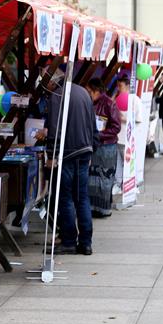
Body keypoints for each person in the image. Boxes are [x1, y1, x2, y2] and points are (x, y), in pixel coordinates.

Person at [39, 75, 98, 255]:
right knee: (82, 198)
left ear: (54, 81)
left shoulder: (57, 95)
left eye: (46, 81)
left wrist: (51, 155)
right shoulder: (84, 93)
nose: (45, 85)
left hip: (67, 154)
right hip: (83, 151)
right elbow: (93, 126)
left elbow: (54, 130)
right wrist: (92, 148)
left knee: (65, 199)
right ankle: (86, 243)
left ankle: (69, 241)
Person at [85, 78, 121, 217]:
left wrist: (99, 135)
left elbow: (116, 127)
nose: (88, 94)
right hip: (95, 146)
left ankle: (104, 209)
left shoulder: (109, 104)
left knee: (104, 178)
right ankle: (93, 208)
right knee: (93, 178)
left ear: (96, 91)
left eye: (89, 91)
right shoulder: (90, 103)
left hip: (106, 147)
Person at [113, 77, 143, 200]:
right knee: (118, 164)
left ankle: (131, 184)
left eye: (120, 86)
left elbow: (138, 120)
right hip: (117, 137)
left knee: (128, 163)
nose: (119, 89)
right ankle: (118, 184)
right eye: (118, 87)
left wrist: (122, 119)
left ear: (127, 86)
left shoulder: (135, 100)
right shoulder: (116, 99)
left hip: (128, 138)